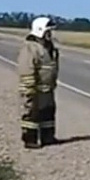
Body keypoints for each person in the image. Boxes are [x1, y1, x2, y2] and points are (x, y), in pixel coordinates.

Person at [17, 16, 60, 149]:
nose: (50, 35)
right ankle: (30, 139)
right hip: (34, 89)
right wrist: (29, 88)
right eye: (48, 32)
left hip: (47, 89)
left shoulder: (50, 48)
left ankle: (48, 137)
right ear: (40, 30)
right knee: (32, 114)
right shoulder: (30, 48)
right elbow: (26, 68)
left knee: (48, 112)